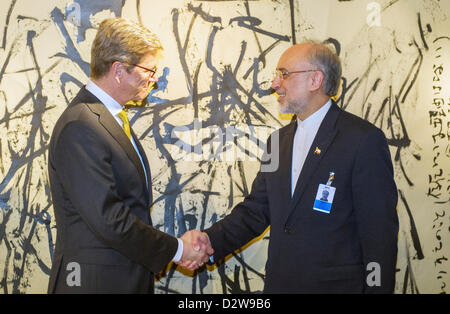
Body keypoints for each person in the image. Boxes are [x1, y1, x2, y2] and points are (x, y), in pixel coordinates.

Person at [184, 41, 399, 293]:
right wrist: (210, 241)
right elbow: (255, 210)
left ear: (315, 79)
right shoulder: (277, 142)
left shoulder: (362, 140)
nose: (275, 84)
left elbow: (378, 237)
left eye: (284, 74)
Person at [47, 17, 211, 294]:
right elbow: (109, 218)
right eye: (150, 69)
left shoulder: (106, 119)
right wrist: (178, 249)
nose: (155, 78)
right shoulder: (81, 126)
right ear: (119, 70)